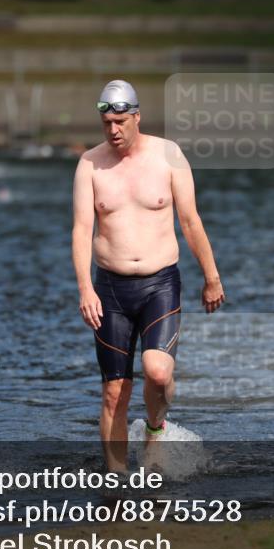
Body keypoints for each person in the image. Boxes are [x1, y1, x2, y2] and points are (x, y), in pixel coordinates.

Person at [72, 80, 225, 473]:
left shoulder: (168, 155)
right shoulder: (90, 164)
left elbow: (190, 221)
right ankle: (116, 480)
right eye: (107, 123)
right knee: (113, 393)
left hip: (160, 283)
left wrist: (211, 277)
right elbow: (80, 229)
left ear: (137, 117)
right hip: (110, 290)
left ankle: (155, 429)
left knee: (158, 373)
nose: (113, 130)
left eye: (121, 121)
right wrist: (85, 288)